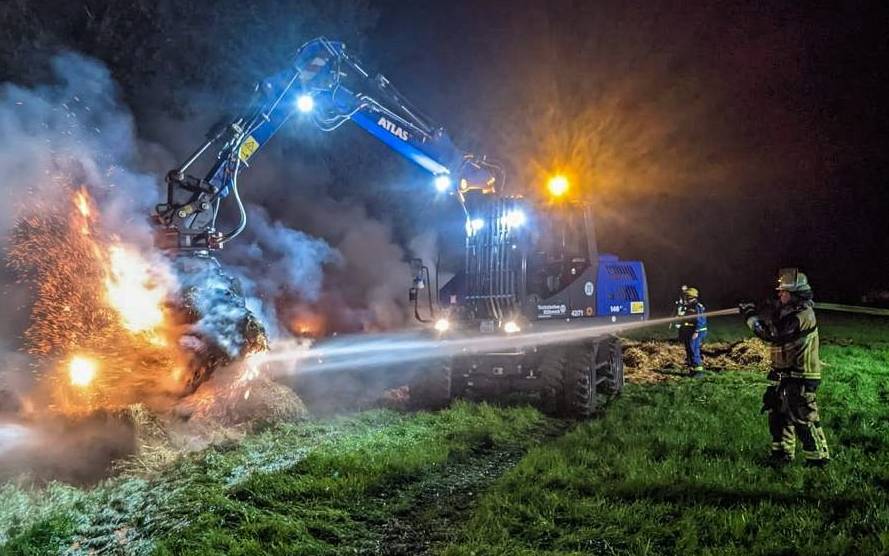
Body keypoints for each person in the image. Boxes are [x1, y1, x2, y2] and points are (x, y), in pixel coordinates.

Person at [740, 268, 830, 467]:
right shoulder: (787, 312)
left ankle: (818, 459)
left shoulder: (804, 315)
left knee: (803, 418)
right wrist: (765, 306)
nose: (780, 294)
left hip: (801, 375)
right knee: (778, 415)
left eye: (784, 292)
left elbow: (773, 333)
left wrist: (750, 316)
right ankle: (781, 454)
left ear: (796, 295)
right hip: (782, 373)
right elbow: (776, 320)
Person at [676, 285, 707, 377]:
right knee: (689, 349)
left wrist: (696, 332)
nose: (685, 298)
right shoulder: (689, 306)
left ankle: (699, 372)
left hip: (696, 332)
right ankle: (692, 368)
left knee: (694, 350)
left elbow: (700, 320)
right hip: (690, 331)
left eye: (686, 297)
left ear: (691, 297)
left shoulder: (697, 307)